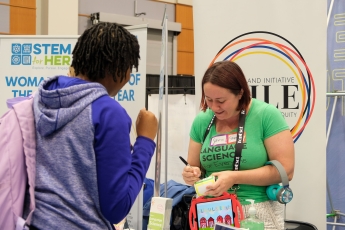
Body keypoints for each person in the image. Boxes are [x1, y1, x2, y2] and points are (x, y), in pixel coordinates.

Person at [23, 22, 158, 229]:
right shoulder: (108, 112)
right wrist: (145, 141)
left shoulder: (37, 101)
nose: (130, 77)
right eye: (131, 68)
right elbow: (116, 208)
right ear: (118, 68)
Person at [182, 61, 294, 229]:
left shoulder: (266, 115)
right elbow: (194, 168)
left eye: (220, 100)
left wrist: (234, 177)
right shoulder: (203, 120)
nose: (214, 107)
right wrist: (191, 173)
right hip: (211, 212)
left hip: (255, 212)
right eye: (209, 99)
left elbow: (286, 170)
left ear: (240, 93)